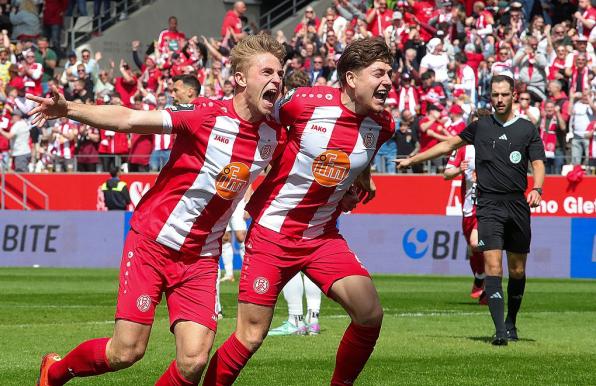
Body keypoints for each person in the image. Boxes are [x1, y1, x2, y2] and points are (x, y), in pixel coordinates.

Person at [31, 33, 287, 386]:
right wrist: (69, 110)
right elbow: (129, 120)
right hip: (153, 242)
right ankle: (54, 371)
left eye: (280, 73)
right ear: (241, 78)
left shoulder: (275, 134)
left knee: (194, 360)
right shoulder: (203, 114)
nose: (277, 80)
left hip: (200, 257)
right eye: (268, 72)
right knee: (126, 352)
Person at [203, 36, 395, 385]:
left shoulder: (383, 125)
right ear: (351, 79)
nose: (388, 82)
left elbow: (357, 155)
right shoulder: (305, 103)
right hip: (273, 234)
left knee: (369, 314)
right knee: (250, 336)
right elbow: (256, 116)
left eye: (389, 74)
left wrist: (359, 181)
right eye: (379, 73)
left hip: (322, 238)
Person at [396, 74, 546, 345]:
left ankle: (511, 322)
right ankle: (499, 330)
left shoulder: (527, 129)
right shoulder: (479, 127)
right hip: (487, 205)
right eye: (495, 95)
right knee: (492, 264)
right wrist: (413, 159)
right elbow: (447, 145)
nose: (499, 99)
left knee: (517, 270)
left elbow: (537, 163)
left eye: (504, 94)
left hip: (517, 205)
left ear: (513, 95)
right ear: (490, 96)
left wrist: (537, 188)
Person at [443, 109, 491, 304]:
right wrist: (458, 169)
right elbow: (446, 174)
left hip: (488, 206)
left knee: (477, 244)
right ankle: (480, 277)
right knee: (473, 249)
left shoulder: (496, 146)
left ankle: (486, 285)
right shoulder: (463, 148)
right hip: (469, 208)